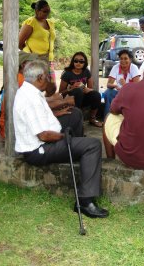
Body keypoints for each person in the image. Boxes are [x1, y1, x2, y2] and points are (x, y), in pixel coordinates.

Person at [13, 60, 108, 219]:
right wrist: (65, 137)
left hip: (47, 138)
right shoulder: (29, 99)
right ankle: (85, 201)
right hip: (39, 149)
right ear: (40, 77)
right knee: (93, 145)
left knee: (75, 114)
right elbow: (44, 135)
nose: (50, 80)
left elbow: (41, 117)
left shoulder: (31, 91)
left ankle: (78, 153)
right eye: (48, 77)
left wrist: (58, 116)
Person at [0, 51, 84, 139]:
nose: (37, 64)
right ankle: (73, 143)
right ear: (24, 65)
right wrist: (63, 103)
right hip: (16, 132)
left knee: (73, 112)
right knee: (75, 114)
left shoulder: (21, 78)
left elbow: (34, 107)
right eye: (33, 63)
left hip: (19, 126)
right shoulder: (21, 81)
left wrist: (57, 109)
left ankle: (74, 142)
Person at [19, 0, 56, 96]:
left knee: (51, 87)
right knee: (37, 86)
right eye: (45, 11)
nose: (47, 13)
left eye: (48, 11)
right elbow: (20, 42)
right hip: (35, 59)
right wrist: (31, 55)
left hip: (48, 59)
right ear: (37, 11)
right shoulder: (31, 22)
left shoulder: (50, 23)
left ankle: (45, 107)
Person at [59, 52, 103, 127]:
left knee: (96, 95)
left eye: (81, 61)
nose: (78, 63)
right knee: (77, 91)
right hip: (71, 100)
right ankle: (77, 119)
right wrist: (71, 88)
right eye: (76, 61)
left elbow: (90, 88)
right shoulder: (67, 73)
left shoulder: (86, 72)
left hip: (83, 97)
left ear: (85, 63)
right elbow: (60, 93)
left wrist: (86, 89)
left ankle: (92, 118)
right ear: (73, 61)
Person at [103, 49, 140, 117]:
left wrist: (125, 85)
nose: (123, 61)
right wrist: (115, 86)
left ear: (130, 59)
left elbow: (137, 88)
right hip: (119, 93)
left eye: (126, 58)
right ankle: (107, 117)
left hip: (131, 95)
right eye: (121, 59)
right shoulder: (116, 67)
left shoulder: (134, 68)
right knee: (107, 92)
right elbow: (108, 84)